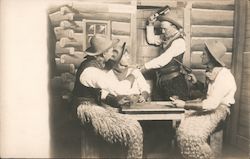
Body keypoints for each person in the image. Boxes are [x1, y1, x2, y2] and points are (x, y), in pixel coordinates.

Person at [71, 34, 143, 158]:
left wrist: (114, 100)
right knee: (133, 129)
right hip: (87, 111)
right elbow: (121, 88)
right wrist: (134, 74)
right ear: (103, 54)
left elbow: (98, 92)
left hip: (89, 108)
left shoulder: (92, 66)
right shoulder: (91, 71)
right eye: (110, 51)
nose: (112, 53)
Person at [171, 40, 237, 159]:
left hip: (218, 111)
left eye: (204, 54)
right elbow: (209, 93)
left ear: (211, 58)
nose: (201, 55)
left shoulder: (224, 76)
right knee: (181, 124)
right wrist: (196, 83)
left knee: (191, 135)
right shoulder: (212, 72)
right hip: (210, 106)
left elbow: (212, 104)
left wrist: (185, 104)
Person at [140, 15, 189, 100]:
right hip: (162, 81)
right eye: (162, 28)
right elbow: (151, 39)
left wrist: (145, 66)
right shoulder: (167, 37)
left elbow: (164, 59)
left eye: (165, 29)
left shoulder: (179, 42)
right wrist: (150, 24)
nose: (162, 31)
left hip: (174, 82)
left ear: (174, 27)